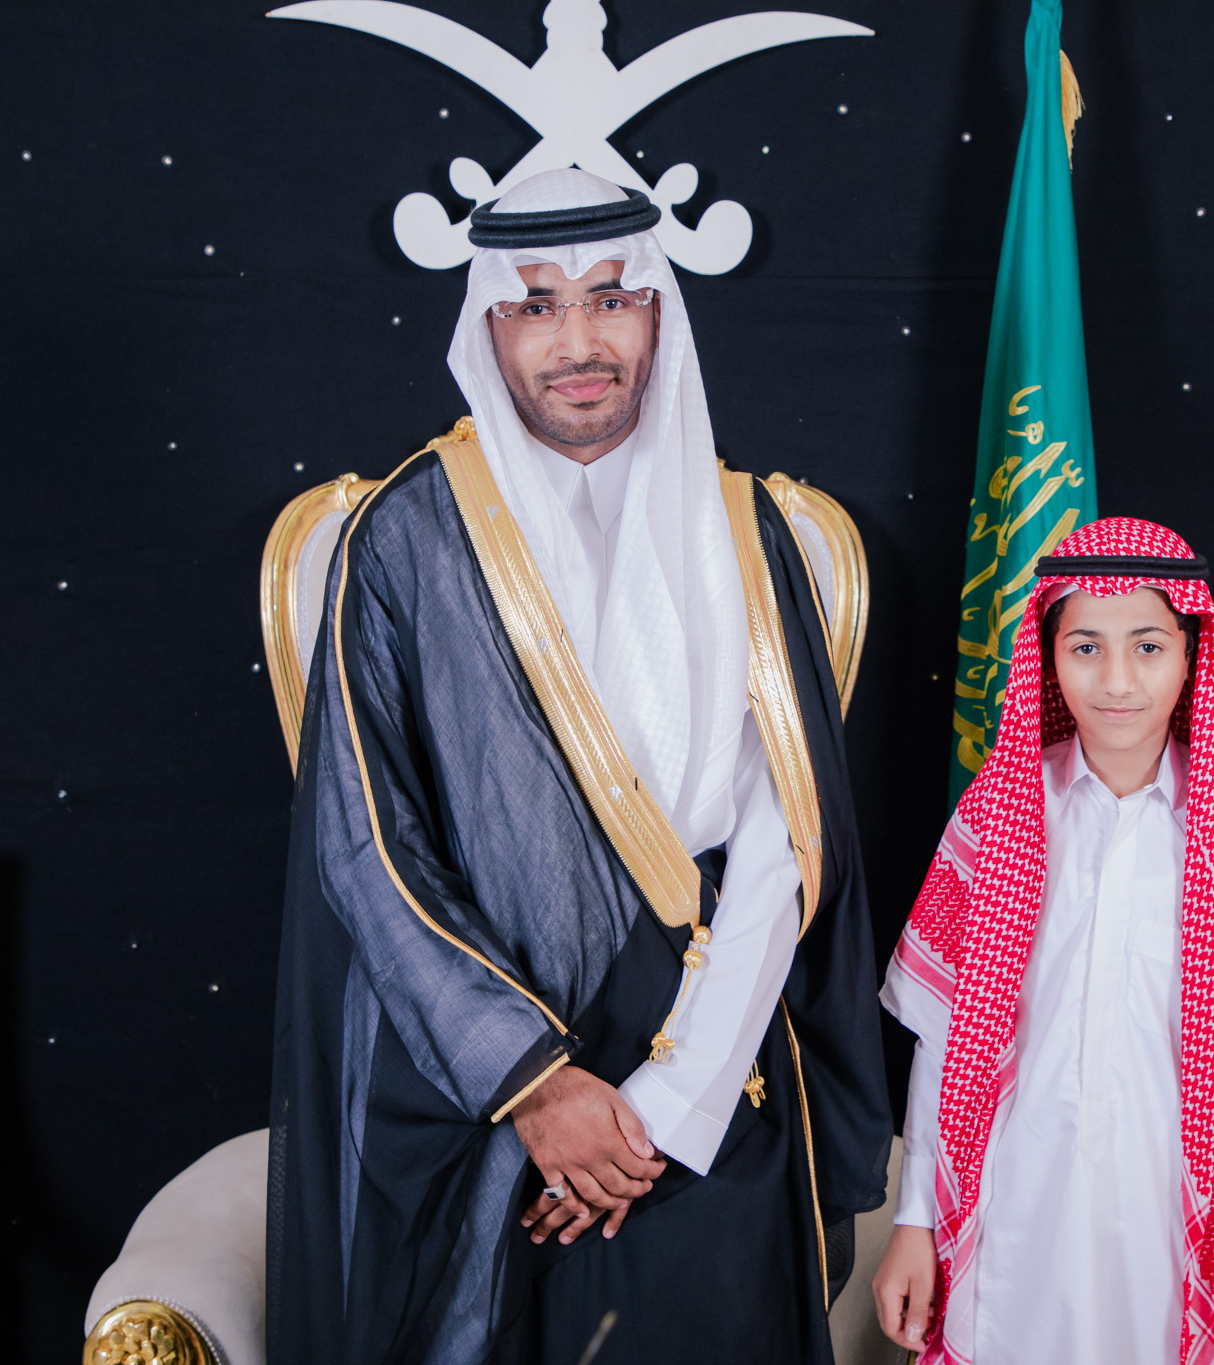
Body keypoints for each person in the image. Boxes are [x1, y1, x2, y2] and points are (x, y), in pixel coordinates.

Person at [268, 168, 890, 1365]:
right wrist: (534, 1087)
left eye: (611, 297)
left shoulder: (744, 531)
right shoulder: (404, 539)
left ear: (658, 313)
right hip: (474, 1082)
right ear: (488, 326)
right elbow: (365, 845)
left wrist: (670, 1106)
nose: (578, 343)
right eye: (536, 306)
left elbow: (785, 844)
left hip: (713, 1068)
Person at [872, 517, 1214, 1365]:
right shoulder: (998, 813)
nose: (1117, 679)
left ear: (1192, 656)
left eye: (1148, 647)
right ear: (1049, 658)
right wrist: (913, 1222)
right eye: (1085, 647)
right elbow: (947, 1041)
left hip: (1177, 1216)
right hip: (1020, 1211)